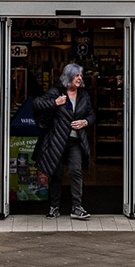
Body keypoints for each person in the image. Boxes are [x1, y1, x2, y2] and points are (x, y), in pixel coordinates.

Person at [32, 63, 95, 220]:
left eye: (81, 75)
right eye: (77, 75)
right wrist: (55, 102)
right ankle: (54, 207)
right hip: (57, 140)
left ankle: (77, 207)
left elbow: (92, 114)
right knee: (56, 173)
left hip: (75, 141)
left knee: (76, 171)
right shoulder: (56, 92)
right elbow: (37, 104)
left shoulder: (83, 95)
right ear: (68, 77)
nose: (80, 78)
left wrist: (85, 122)